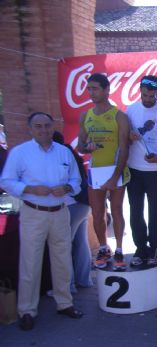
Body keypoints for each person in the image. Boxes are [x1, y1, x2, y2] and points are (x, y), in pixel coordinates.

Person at [0, 112, 84, 331]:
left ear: (52, 126)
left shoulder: (64, 152)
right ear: (30, 129)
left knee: (62, 260)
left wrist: (66, 188)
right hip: (33, 212)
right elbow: (7, 181)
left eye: (47, 126)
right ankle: (27, 310)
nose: (43, 130)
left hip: (60, 212)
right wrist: (29, 189)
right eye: (38, 126)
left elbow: (76, 181)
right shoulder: (20, 153)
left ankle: (64, 303)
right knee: (30, 262)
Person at [77, 73, 131, 271]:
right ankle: (102, 248)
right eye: (89, 89)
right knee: (98, 213)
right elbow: (80, 146)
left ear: (107, 90)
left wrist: (115, 177)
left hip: (116, 170)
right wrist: (86, 147)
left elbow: (125, 148)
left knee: (116, 211)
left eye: (95, 88)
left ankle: (118, 249)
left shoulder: (120, 116)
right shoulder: (85, 116)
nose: (91, 92)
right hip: (96, 171)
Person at [126, 75, 157, 266]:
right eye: (144, 94)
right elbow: (124, 137)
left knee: (155, 212)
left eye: (151, 96)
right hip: (134, 169)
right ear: (140, 91)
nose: (147, 98)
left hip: (156, 171)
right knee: (135, 210)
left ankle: (154, 249)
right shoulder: (131, 109)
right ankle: (140, 249)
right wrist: (129, 136)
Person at [52, 131, 93, 290]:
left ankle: (68, 286)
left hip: (71, 204)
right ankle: (84, 280)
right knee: (81, 243)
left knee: (64, 246)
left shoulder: (61, 156)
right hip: (83, 203)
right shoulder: (71, 153)